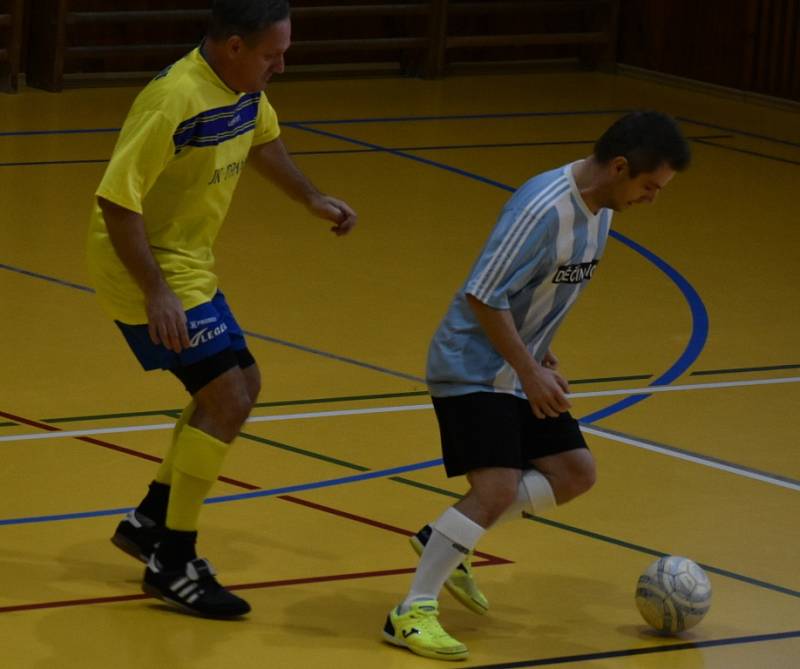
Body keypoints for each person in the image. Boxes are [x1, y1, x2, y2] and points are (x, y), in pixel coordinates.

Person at [382, 111, 691, 660]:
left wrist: (541, 350)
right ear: (619, 167)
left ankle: (447, 538)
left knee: (575, 473)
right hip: (471, 367)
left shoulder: (600, 210)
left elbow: (540, 287)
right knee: (496, 488)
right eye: (650, 186)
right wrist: (528, 370)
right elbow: (483, 293)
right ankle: (411, 611)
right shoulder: (542, 208)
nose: (653, 198)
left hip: (516, 366)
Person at [86, 0, 356, 619]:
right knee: (227, 397)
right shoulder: (173, 99)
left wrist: (310, 198)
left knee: (244, 384)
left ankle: (150, 520)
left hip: (188, 262)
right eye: (272, 54)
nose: (281, 66)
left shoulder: (241, 87)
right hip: (145, 266)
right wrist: (156, 291)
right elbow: (116, 202)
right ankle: (173, 561)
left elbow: (262, 141)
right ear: (233, 46)